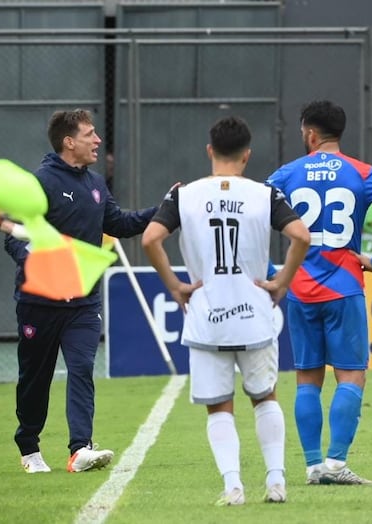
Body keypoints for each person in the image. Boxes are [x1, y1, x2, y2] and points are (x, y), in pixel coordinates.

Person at [142, 116, 310, 506]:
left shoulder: (183, 195)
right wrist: (282, 280)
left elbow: (152, 238)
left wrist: (175, 285)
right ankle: (276, 481)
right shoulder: (263, 194)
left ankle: (233, 486)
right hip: (254, 313)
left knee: (220, 406)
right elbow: (300, 235)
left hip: (206, 317)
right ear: (247, 155)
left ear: (209, 151)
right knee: (265, 396)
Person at [266, 100, 372, 485]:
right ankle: (336, 464)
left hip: (299, 288)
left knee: (307, 379)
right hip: (344, 286)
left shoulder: (287, 173)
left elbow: (250, 215)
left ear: (310, 134)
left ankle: (313, 466)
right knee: (350, 376)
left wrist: (274, 271)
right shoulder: (361, 173)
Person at [3, 109, 157, 473]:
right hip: (38, 302)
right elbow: (13, 237)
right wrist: (34, 257)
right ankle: (29, 448)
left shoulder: (96, 184)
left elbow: (119, 223)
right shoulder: (39, 183)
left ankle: (80, 449)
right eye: (90, 134)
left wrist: (164, 210)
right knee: (35, 379)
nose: (97, 141)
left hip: (83, 302)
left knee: (83, 366)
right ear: (69, 142)